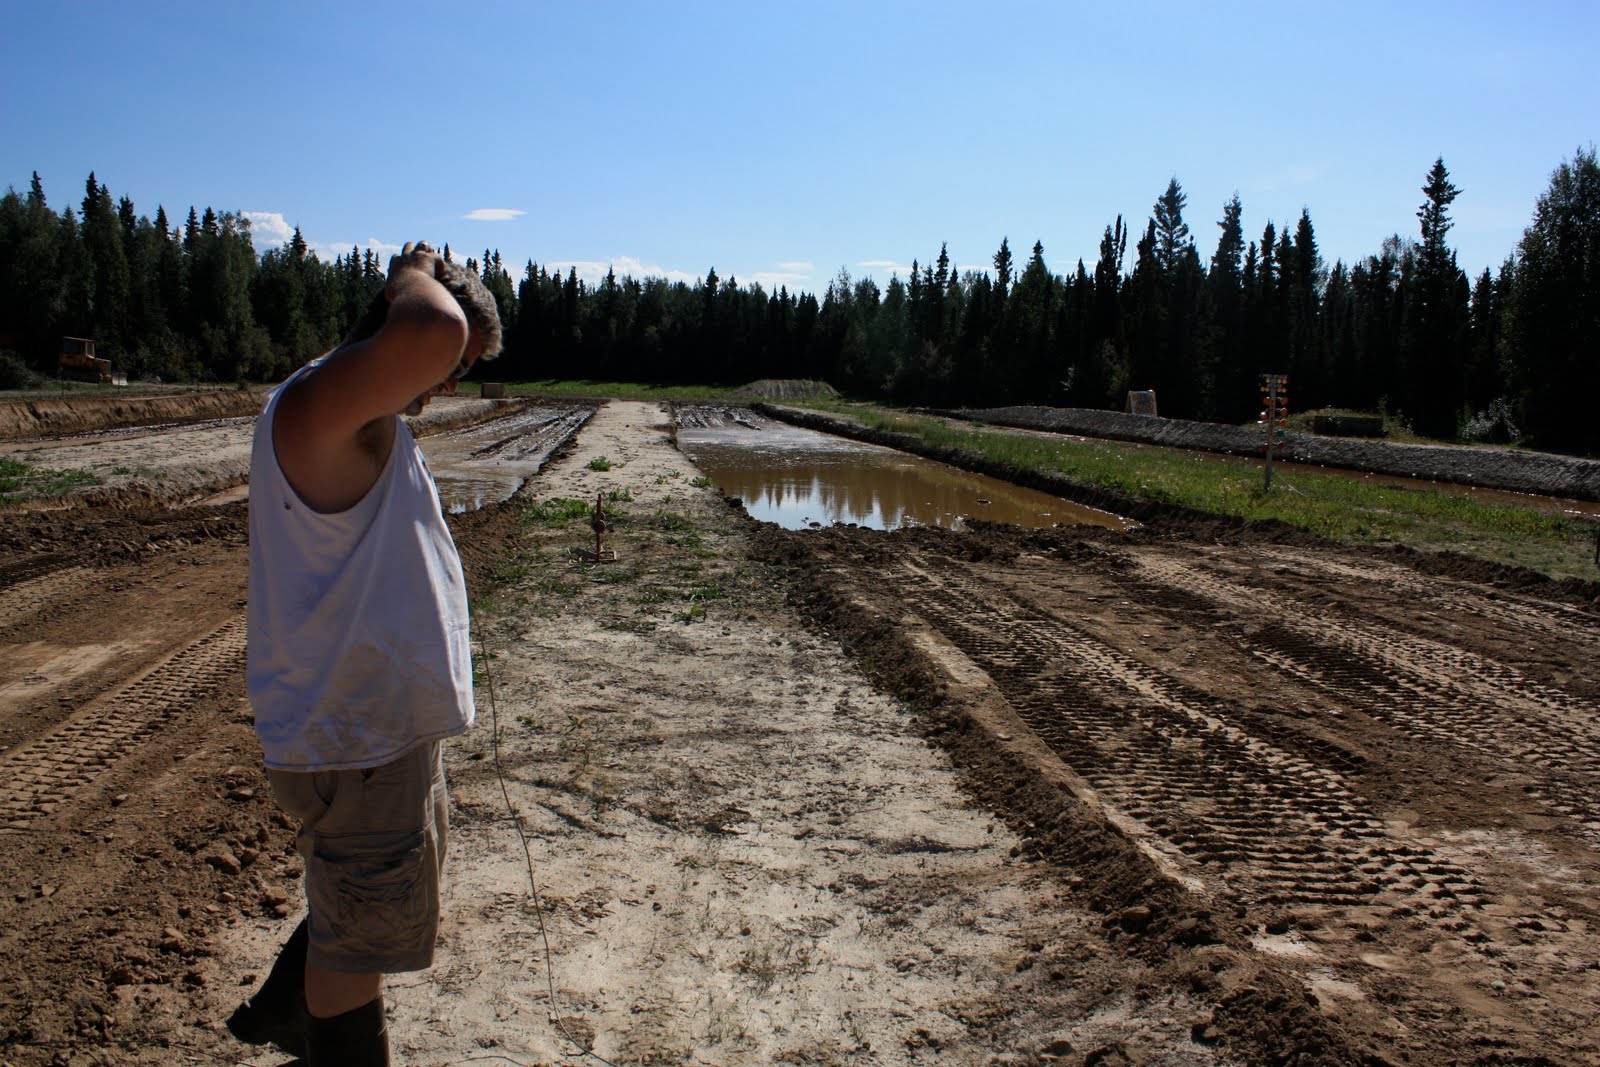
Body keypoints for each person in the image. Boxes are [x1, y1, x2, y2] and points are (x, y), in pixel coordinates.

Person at [227, 241, 501, 1064]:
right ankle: (321, 1028)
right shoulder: (321, 404)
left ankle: (288, 1006)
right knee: (356, 944)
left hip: (380, 736)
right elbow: (431, 329)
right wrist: (410, 270)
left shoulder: (359, 415)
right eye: (452, 366)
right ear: (394, 315)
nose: (446, 384)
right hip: (355, 744)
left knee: (370, 910)